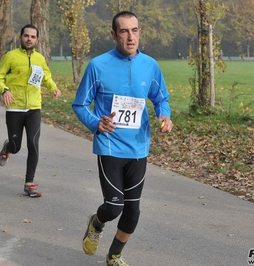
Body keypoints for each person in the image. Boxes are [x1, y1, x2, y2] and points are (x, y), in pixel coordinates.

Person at [72, 11, 173, 266]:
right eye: (125, 31)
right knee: (114, 207)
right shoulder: (98, 65)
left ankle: (115, 254)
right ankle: (96, 223)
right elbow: (80, 105)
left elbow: (161, 98)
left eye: (135, 30)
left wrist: (165, 115)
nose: (131, 37)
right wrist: (97, 123)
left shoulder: (150, 65)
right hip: (110, 145)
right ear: (114, 35)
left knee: (133, 210)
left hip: (139, 148)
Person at [0, 24, 62, 198]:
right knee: (16, 147)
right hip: (15, 107)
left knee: (33, 143)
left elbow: (46, 76)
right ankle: (7, 148)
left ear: (37, 40)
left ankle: (28, 183)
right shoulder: (10, 56)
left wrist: (53, 87)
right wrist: (4, 90)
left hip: (34, 108)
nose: (29, 39)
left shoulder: (39, 58)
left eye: (32, 36)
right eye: (26, 36)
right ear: (20, 38)